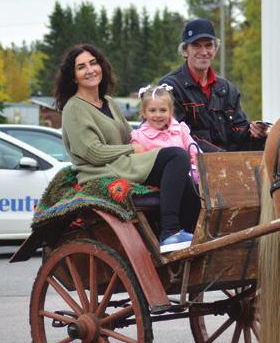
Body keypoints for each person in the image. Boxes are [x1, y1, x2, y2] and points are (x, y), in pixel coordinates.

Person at [56, 44, 199, 253]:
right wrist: (131, 150)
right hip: (100, 171)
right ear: (73, 76)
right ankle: (169, 232)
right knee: (176, 157)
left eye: (93, 63)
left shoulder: (109, 102)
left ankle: (192, 234)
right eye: (81, 67)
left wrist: (160, 134)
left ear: (102, 67)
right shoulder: (74, 108)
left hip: (123, 164)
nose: (90, 70)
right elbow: (92, 152)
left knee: (182, 176)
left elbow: (128, 136)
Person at [159, 18, 268, 152]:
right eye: (196, 45)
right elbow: (176, 135)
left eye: (209, 45)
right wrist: (219, 155)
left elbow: (238, 130)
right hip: (191, 165)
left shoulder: (227, 89)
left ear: (215, 49)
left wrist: (254, 131)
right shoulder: (170, 87)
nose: (204, 52)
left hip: (227, 163)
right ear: (185, 51)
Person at [131, 83, 200, 184]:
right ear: (144, 112)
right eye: (152, 110)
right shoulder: (139, 137)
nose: (158, 115)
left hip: (191, 177)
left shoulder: (180, 130)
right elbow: (140, 165)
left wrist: (199, 166)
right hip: (161, 180)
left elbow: (194, 151)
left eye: (163, 110)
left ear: (171, 111)